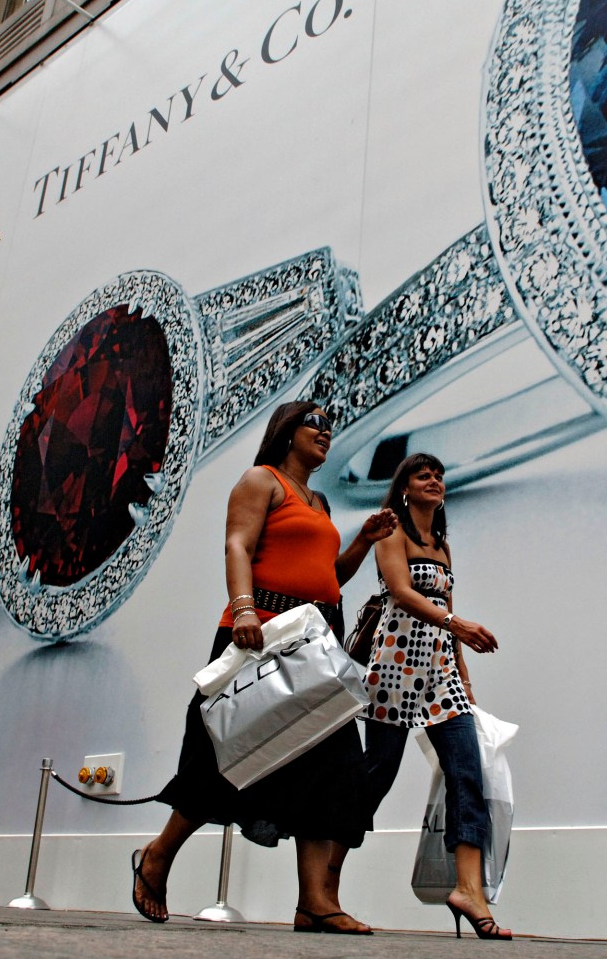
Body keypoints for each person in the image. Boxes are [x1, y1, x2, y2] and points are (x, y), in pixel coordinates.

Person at [132, 400, 398, 934]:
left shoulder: (318, 500)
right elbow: (238, 543)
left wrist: (364, 541)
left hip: (315, 641)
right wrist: (245, 607)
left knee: (335, 765)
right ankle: (157, 856)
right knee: (223, 756)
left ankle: (315, 903)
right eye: (315, 423)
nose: (326, 432)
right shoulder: (262, 480)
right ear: (287, 431)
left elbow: (328, 577)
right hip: (261, 632)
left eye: (331, 426)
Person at [352, 452, 512, 940]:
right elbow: (400, 592)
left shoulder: (441, 545)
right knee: (375, 776)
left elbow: (446, 606)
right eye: (423, 475)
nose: (434, 481)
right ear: (404, 486)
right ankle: (323, 880)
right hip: (396, 667)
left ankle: (470, 890)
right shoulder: (391, 532)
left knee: (469, 773)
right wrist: (458, 624)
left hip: (442, 674)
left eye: (439, 475)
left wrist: (463, 675)